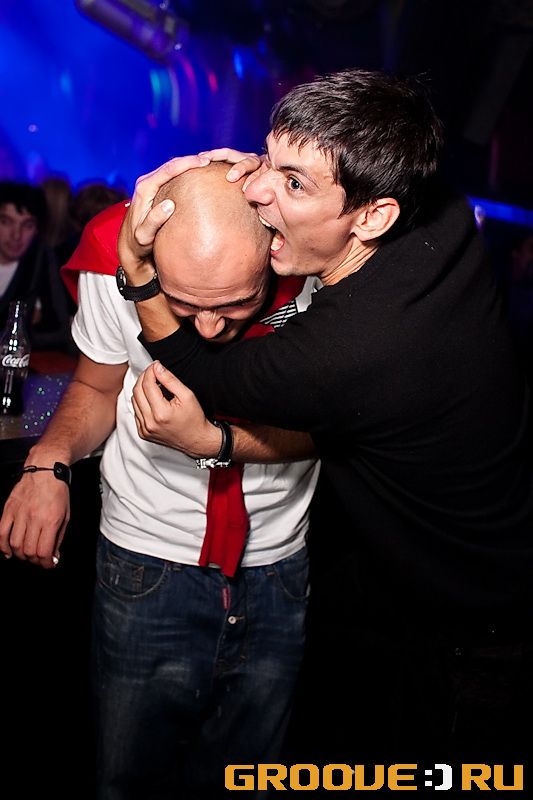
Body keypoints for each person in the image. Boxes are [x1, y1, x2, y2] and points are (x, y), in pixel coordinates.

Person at [117, 68, 533, 768]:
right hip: (433, 574)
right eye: (267, 159)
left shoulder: (344, 350)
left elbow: (201, 372)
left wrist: (135, 267)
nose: (257, 189)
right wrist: (269, 175)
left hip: (474, 626)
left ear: (372, 217)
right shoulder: (444, 216)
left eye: (294, 184)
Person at [0, 160, 319, 799]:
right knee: (128, 779)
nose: (208, 328)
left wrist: (213, 440)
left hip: (277, 566)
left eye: (236, 303)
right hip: (145, 561)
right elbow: (96, 387)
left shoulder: (320, 263)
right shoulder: (112, 261)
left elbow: (340, 424)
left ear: (275, 248)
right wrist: (47, 462)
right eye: (183, 304)